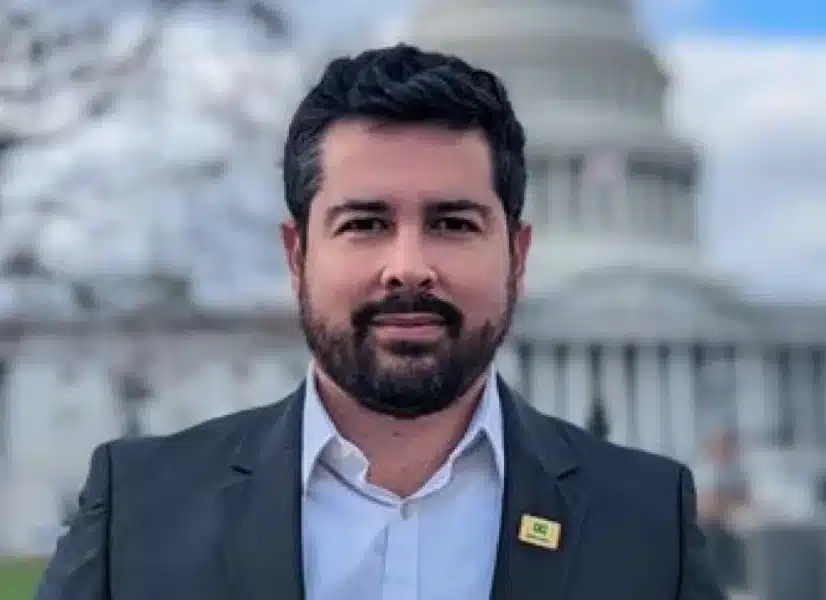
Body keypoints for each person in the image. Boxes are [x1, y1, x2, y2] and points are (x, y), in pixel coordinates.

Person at [34, 44, 725, 600]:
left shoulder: (645, 522)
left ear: (517, 257)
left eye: (453, 224)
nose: (408, 268)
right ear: (297, 255)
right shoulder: (141, 510)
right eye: (365, 224)